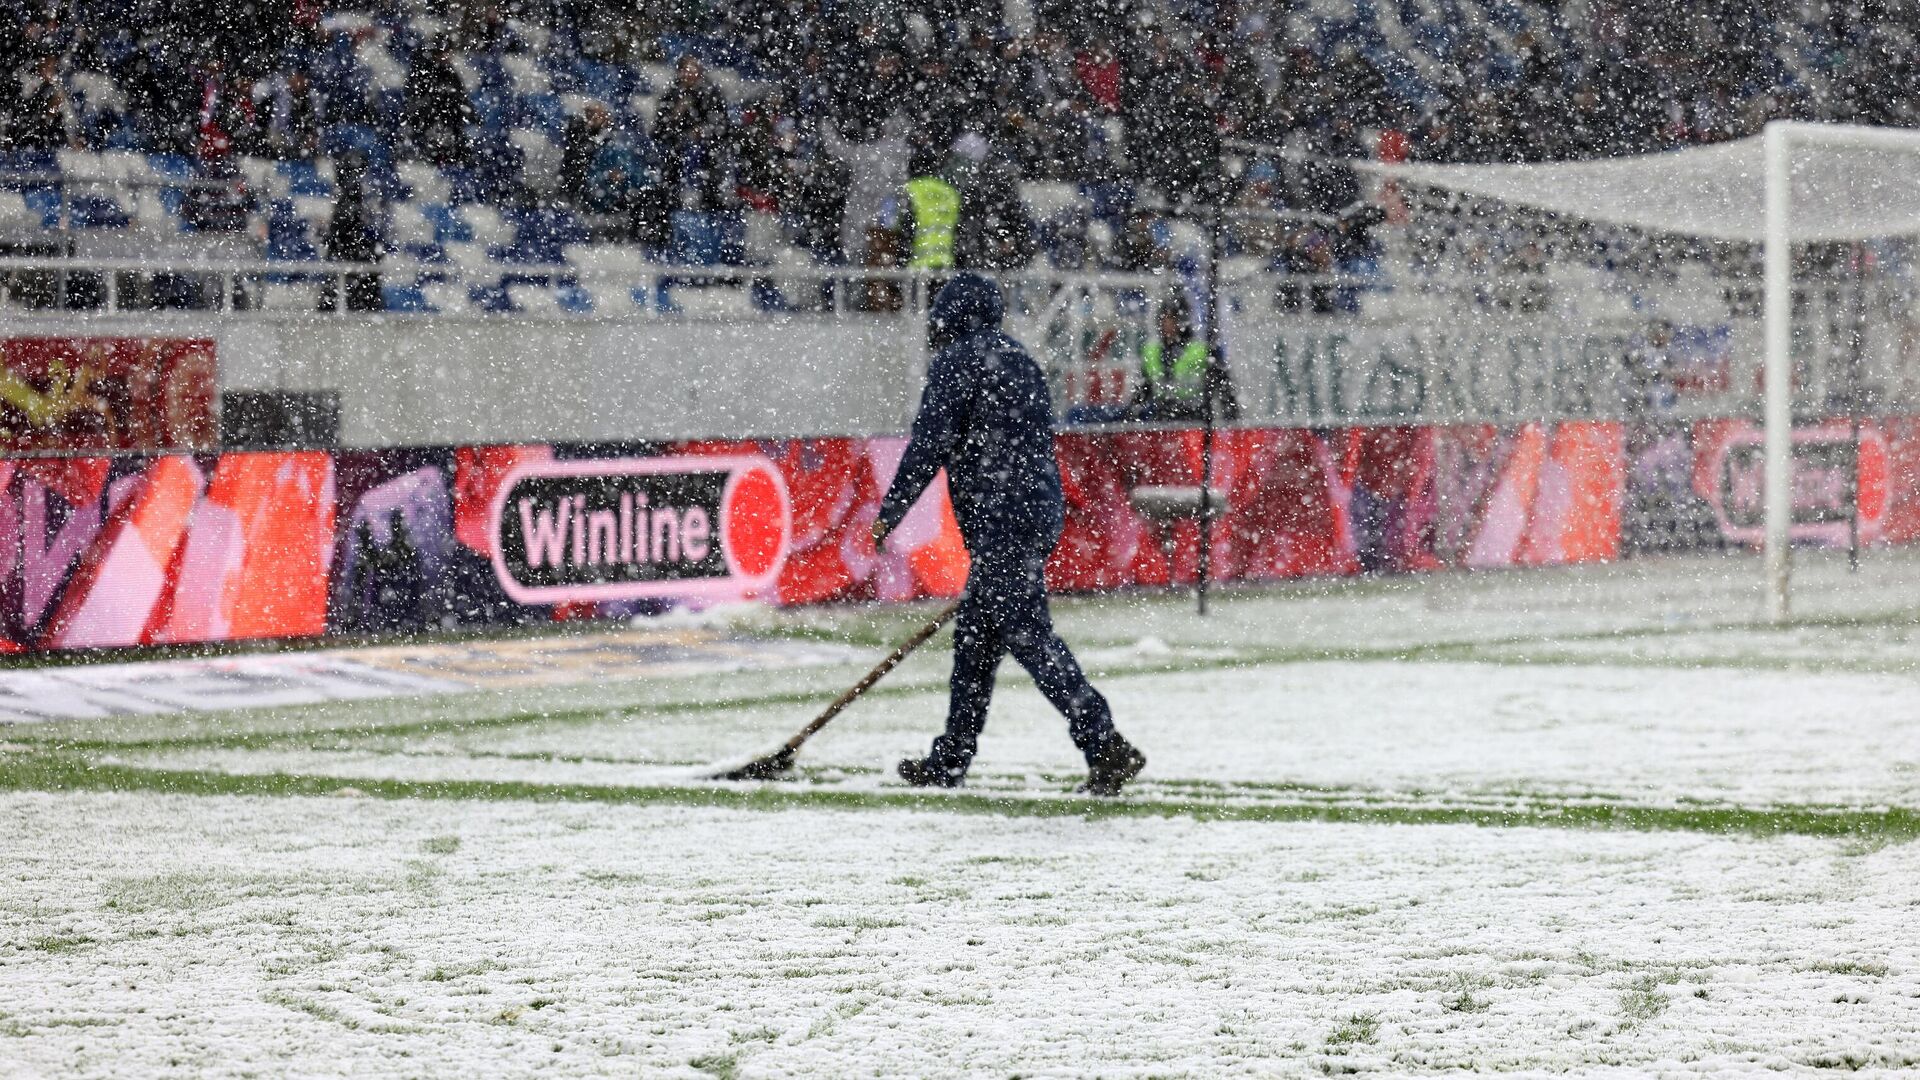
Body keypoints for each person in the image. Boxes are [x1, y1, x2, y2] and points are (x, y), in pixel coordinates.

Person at [871, 273, 1145, 796]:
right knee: (975, 645)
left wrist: (891, 513)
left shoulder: (956, 363)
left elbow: (928, 444)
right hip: (1032, 515)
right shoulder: (1019, 360)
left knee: (1028, 638)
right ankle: (949, 761)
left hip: (1001, 522)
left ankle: (1104, 741)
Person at [1128, 295, 1239, 422]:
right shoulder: (1151, 352)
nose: (1168, 324)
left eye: (1172, 319)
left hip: (1195, 421)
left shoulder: (1202, 351)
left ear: (1182, 321)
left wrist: (1231, 424)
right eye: (1164, 319)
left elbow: (1225, 392)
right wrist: (1131, 419)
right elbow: (1141, 393)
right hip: (1162, 421)